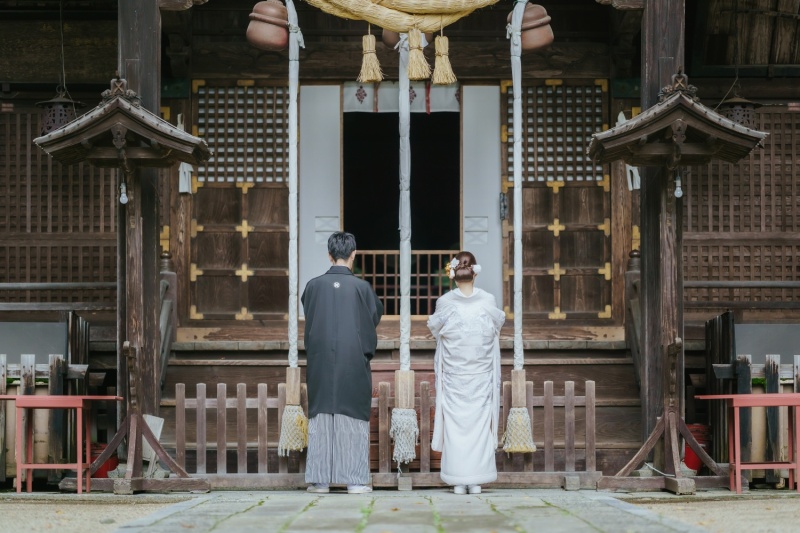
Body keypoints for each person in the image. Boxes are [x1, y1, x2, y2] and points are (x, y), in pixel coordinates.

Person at [301, 231, 383, 494]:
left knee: (322, 415)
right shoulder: (362, 288)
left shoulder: (313, 286)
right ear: (354, 254)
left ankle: (320, 481)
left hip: (321, 359)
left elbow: (310, 314)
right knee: (352, 417)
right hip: (352, 360)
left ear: (329, 255)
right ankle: (355, 481)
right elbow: (373, 317)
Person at [428, 251, 505, 495]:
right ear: (475, 271)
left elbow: (435, 331)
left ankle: (458, 480)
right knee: (480, 423)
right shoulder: (488, 301)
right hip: (480, 375)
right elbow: (496, 330)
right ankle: (477, 480)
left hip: (455, 375)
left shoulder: (445, 302)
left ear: (452, 274)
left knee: (455, 423)